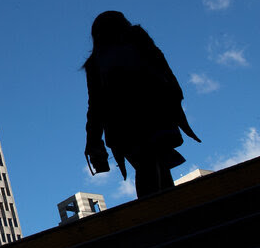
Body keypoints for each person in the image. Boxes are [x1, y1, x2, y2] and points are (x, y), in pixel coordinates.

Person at [83, 11, 200, 198]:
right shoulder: (139, 44)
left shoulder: (98, 62)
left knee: (151, 167)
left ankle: (158, 215)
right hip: (151, 118)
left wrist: (93, 141)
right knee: (155, 166)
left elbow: (96, 106)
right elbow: (168, 78)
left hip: (127, 127)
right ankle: (163, 214)